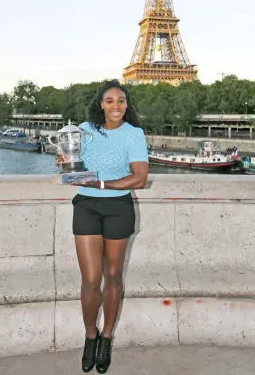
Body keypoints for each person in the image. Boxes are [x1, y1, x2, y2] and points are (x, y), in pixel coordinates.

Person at [56, 80, 148, 374]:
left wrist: (103, 184)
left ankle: (107, 335)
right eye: (110, 101)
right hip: (86, 205)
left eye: (121, 101)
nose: (116, 106)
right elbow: (73, 169)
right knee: (91, 279)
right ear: (101, 104)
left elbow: (140, 178)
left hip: (118, 207)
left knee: (113, 274)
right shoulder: (84, 130)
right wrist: (64, 162)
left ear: (127, 105)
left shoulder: (134, 134)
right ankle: (90, 334)